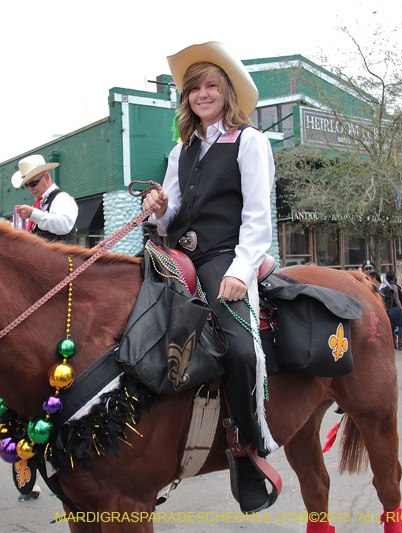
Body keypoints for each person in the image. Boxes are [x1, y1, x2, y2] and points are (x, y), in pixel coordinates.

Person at [142, 42, 274, 514]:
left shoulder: (250, 141)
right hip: (177, 252)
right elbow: (173, 211)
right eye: (194, 88)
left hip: (225, 256)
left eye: (211, 86)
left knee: (239, 347)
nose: (202, 94)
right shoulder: (181, 150)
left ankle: (247, 444)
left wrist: (240, 273)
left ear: (227, 93)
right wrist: (156, 210)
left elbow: (259, 217)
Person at [12, 154, 79, 244]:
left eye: (33, 183)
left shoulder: (61, 197)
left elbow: (64, 225)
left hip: (63, 257)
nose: (30, 189)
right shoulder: (39, 205)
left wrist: (33, 213)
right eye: (26, 185)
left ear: (46, 177)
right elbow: (28, 228)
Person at [385, 270, 402, 351]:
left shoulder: (386, 286)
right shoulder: (394, 286)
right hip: (396, 309)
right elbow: (396, 299)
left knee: (392, 327)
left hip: (389, 309)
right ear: (394, 277)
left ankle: (392, 345)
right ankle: (401, 344)